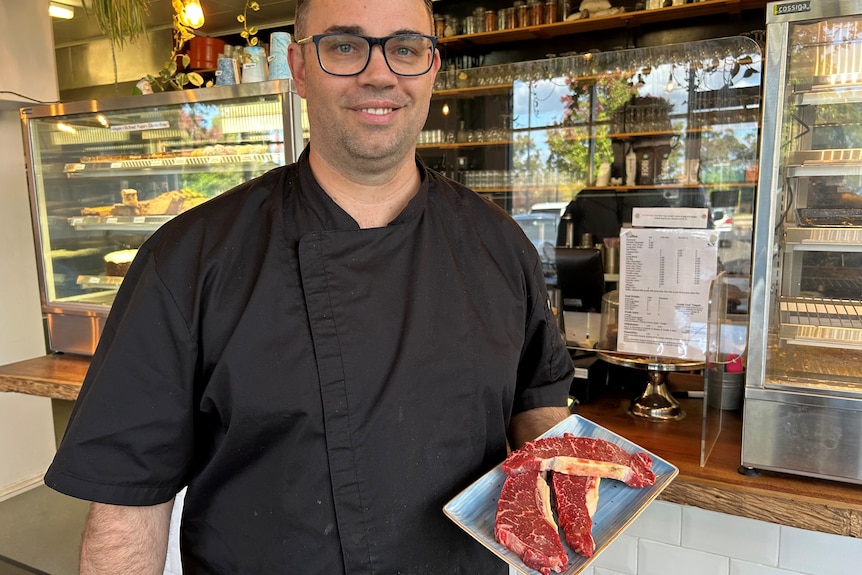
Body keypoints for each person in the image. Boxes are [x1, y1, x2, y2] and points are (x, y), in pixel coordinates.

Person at [44, 0, 574, 572]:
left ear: (432, 67)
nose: (380, 73)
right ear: (298, 68)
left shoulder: (499, 243)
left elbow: (538, 398)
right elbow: (127, 503)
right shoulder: (190, 258)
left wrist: (571, 483)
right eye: (344, 47)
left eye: (405, 48)